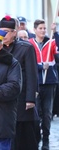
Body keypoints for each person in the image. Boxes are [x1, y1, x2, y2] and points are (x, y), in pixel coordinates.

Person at [0, 15, 39, 150]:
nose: (3, 34)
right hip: (2, 98)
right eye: (1, 31)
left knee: (23, 136)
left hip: (21, 99)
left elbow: (32, 75)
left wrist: (31, 99)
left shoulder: (25, 48)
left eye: (6, 31)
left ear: (14, 33)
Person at [29, 19, 59, 150]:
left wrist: (56, 33)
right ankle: (37, 137)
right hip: (35, 83)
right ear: (35, 30)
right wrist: (41, 66)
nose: (43, 30)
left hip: (49, 83)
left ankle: (46, 140)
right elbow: (28, 64)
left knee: (47, 113)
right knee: (36, 113)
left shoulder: (51, 41)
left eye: (44, 28)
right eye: (40, 28)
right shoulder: (29, 44)